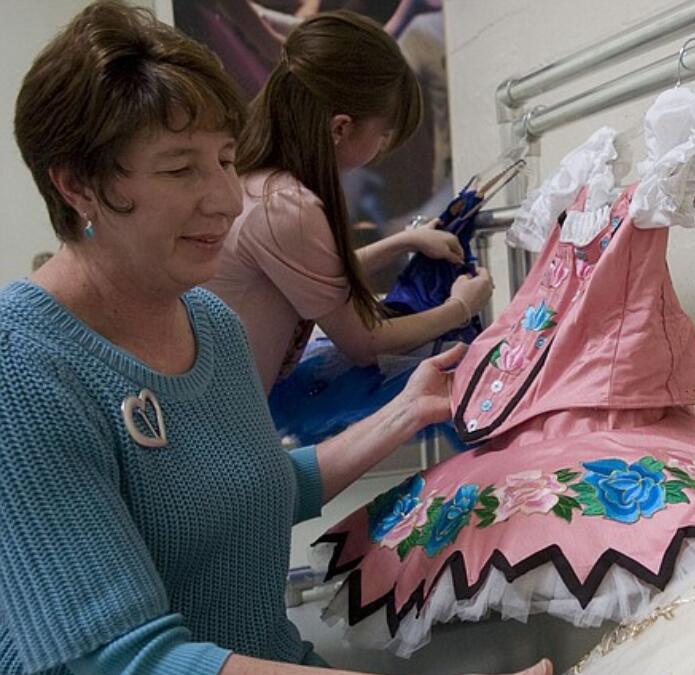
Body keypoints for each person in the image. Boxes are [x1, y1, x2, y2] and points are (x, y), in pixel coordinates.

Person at [0, 3, 555, 675]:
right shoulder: (25, 369)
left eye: (227, 159)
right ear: (78, 183)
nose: (226, 198)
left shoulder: (213, 325)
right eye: (180, 168)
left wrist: (406, 412)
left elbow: (257, 486)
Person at [206, 9, 492, 393]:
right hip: (226, 414)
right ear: (340, 127)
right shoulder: (285, 206)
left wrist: (405, 241)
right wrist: (460, 308)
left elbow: (313, 274)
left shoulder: (259, 184)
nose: (383, 148)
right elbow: (364, 342)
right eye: (384, 133)